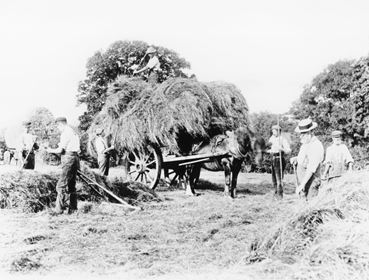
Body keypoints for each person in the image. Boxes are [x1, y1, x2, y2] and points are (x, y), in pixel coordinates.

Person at [47, 117, 80, 214]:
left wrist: (50, 150)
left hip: (68, 159)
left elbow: (60, 150)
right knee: (71, 185)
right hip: (75, 158)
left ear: (60, 124)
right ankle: (73, 209)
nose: (58, 129)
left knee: (61, 185)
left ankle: (58, 210)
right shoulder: (73, 132)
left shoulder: (65, 133)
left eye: (58, 126)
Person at [290, 118, 324, 199]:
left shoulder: (316, 146)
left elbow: (311, 168)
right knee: (302, 203)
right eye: (301, 133)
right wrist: (296, 158)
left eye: (304, 133)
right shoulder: (305, 143)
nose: (301, 136)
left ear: (311, 132)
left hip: (311, 181)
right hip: (302, 179)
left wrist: (302, 185)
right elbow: (304, 157)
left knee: (311, 205)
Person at [267, 125, 291, 198]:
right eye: (272, 130)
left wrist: (282, 149)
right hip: (273, 158)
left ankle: (280, 195)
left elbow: (288, 150)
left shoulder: (283, 139)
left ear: (278, 131)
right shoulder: (272, 138)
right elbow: (270, 147)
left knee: (279, 178)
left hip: (279, 159)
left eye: (274, 130)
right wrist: (268, 151)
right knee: (273, 178)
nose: (272, 131)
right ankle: (275, 193)